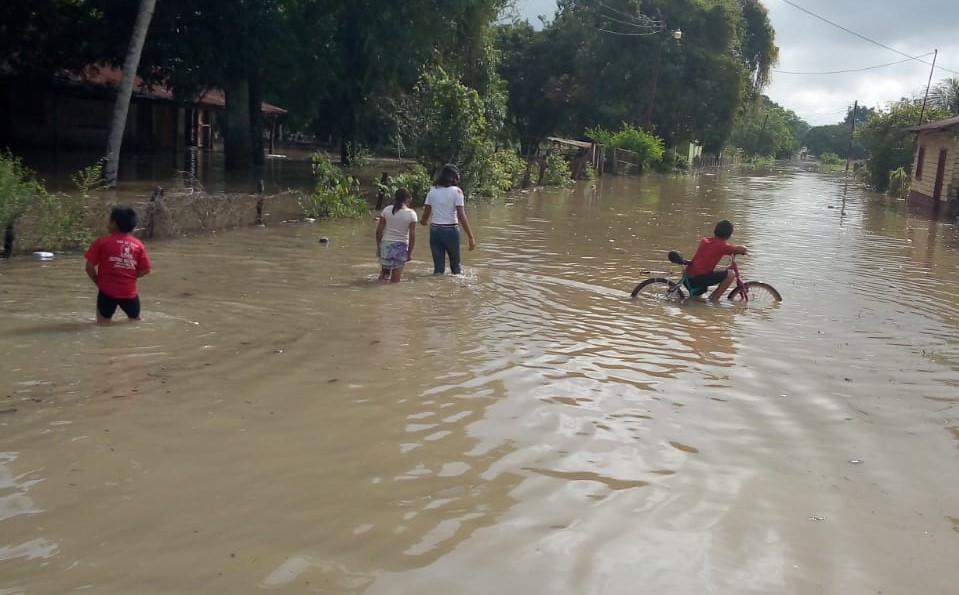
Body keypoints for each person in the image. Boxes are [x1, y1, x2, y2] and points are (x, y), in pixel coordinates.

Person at [84, 205, 152, 324]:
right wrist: (129, 276)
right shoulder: (138, 245)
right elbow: (146, 270)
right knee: (135, 322)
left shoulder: (102, 242)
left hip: (106, 292)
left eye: (109, 221)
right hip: (129, 293)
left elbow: (89, 267)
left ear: (114, 223)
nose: (107, 224)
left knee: (102, 325)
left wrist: (98, 282)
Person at [419, 163, 475, 275]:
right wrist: (470, 236)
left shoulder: (432, 191)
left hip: (435, 231)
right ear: (455, 177)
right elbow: (461, 215)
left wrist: (423, 221)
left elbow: (426, 214)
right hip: (451, 231)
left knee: (438, 269)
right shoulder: (457, 192)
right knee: (456, 267)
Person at [685, 219, 747, 302]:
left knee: (696, 301)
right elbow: (742, 249)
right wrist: (745, 250)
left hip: (688, 277)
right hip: (698, 279)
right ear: (728, 235)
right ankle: (714, 299)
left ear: (715, 231)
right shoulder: (722, 246)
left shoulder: (704, 240)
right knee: (731, 274)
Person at [375, 187, 418, 282]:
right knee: (395, 282)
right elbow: (412, 236)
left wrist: (379, 246)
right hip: (400, 248)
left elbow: (379, 231)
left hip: (385, 245)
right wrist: (409, 253)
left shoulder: (386, 210)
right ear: (408, 199)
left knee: (383, 276)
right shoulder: (411, 214)